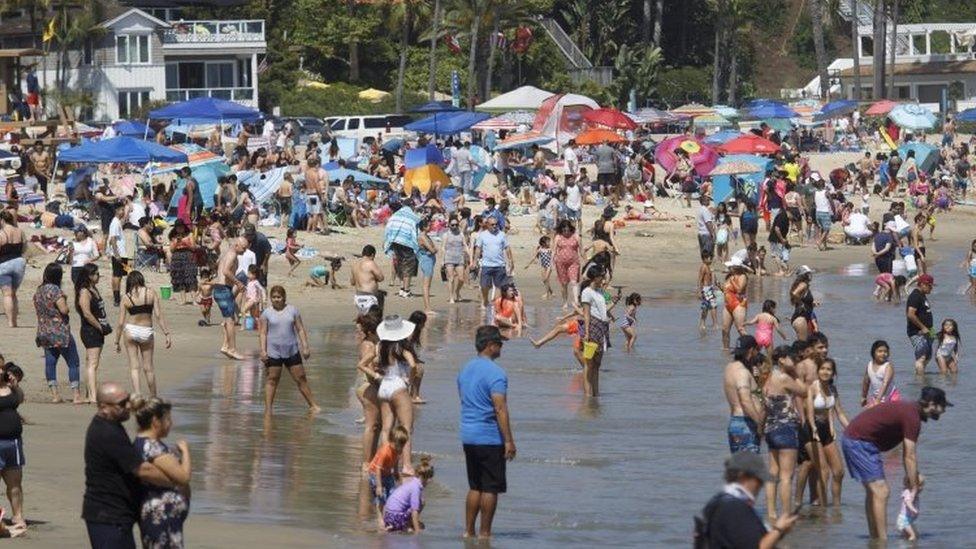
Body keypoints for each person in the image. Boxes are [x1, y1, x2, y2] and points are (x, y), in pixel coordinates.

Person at [842, 386, 951, 540]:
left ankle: (875, 538)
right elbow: (909, 456)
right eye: (943, 406)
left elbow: (908, 457)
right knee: (881, 491)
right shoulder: (912, 416)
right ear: (932, 404)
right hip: (859, 442)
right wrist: (913, 488)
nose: (944, 411)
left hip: (857, 440)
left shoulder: (910, 412)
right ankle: (882, 541)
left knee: (874, 492)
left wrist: (912, 477)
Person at [83, 382, 174, 549]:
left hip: (113, 514)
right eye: (122, 404)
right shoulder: (107, 432)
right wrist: (176, 480)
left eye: (128, 400)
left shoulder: (112, 426)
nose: (128, 406)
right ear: (104, 407)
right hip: (108, 515)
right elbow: (142, 469)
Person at [458, 325, 514, 540]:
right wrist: (508, 440)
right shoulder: (496, 373)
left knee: (475, 486)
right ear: (491, 346)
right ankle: (485, 534)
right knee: (491, 488)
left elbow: (464, 399)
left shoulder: (465, 369)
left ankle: (468, 531)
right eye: (499, 343)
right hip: (489, 437)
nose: (501, 347)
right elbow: (499, 407)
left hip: (468, 434)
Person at [695, 452, 797, 549]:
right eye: (758, 479)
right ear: (742, 476)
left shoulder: (718, 501)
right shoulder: (735, 508)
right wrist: (778, 530)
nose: (760, 485)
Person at [131, 396, 191, 548]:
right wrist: (185, 452)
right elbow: (183, 477)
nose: (170, 424)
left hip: (162, 516)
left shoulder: (143, 444)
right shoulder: (151, 447)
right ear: (156, 422)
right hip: (161, 517)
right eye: (168, 420)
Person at [762, 345, 806, 521]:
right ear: (781, 359)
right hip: (786, 427)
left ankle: (772, 513)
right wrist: (796, 374)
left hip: (770, 428)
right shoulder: (785, 378)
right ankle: (786, 515)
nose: (794, 362)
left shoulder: (768, 377)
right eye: (791, 359)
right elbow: (804, 391)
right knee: (787, 476)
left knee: (773, 472)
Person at [115, 271, 171, 397]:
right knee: (149, 368)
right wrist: (166, 333)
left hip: (130, 330)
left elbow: (120, 323)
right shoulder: (151, 293)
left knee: (134, 367)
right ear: (141, 279)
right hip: (146, 330)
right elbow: (158, 315)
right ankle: (153, 396)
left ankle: (137, 394)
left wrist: (116, 341)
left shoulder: (126, 297)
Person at [374, 315, 418, 475]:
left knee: (386, 429)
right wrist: (409, 381)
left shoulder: (380, 346)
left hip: (384, 385)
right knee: (406, 428)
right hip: (398, 385)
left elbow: (375, 364)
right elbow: (413, 365)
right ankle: (406, 465)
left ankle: (384, 464)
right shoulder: (402, 348)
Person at [34, 263, 83, 403]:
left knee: (50, 363)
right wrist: (66, 301)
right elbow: (64, 310)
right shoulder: (55, 290)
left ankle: (55, 395)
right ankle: (76, 395)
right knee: (73, 362)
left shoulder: (39, 290)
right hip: (59, 331)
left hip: (44, 331)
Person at [806, 358, 850, 509]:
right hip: (812, 431)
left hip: (826, 431)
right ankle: (822, 510)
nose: (825, 372)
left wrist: (853, 430)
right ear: (818, 371)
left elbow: (840, 413)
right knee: (824, 472)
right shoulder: (812, 387)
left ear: (833, 373)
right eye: (822, 369)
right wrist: (813, 428)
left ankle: (836, 508)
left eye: (829, 369)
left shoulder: (833, 390)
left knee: (839, 471)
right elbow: (809, 413)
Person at [723, 335, 763, 453]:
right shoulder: (742, 372)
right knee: (750, 469)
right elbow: (745, 401)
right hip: (745, 424)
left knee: (740, 468)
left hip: (735, 423)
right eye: (757, 350)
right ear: (751, 350)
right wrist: (760, 425)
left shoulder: (729, 368)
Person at [76, 264, 110, 404]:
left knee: (90, 362)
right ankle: (93, 396)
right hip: (90, 330)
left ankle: (89, 393)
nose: (98, 276)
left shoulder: (93, 289)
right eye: (96, 274)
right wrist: (100, 327)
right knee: (93, 364)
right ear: (89, 276)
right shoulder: (84, 292)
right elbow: (87, 313)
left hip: (96, 330)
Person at [0, 362, 26, 534]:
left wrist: (15, 386)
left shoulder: (9, 388)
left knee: (15, 483)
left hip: (13, 442)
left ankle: (17, 515)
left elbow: (20, 399)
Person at [580, 264, 611, 397]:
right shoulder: (587, 292)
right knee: (589, 364)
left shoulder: (599, 292)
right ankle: (588, 396)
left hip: (602, 327)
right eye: (601, 276)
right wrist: (586, 332)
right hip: (592, 326)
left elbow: (603, 310)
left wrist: (614, 302)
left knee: (597, 364)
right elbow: (586, 313)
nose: (603, 279)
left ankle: (596, 394)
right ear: (595, 277)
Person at [367, 425, 408, 527]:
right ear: (392, 441)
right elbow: (377, 469)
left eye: (403, 445)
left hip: (387, 474)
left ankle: (389, 517)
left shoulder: (398, 451)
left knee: (393, 495)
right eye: (399, 445)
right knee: (381, 496)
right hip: (375, 474)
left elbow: (395, 461)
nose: (401, 448)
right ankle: (380, 519)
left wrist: (396, 473)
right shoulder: (385, 451)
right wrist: (379, 486)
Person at [383, 455, 434, 533]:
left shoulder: (412, 482)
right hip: (395, 517)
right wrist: (417, 531)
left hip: (388, 516)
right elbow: (414, 511)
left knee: (421, 502)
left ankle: (401, 525)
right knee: (420, 526)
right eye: (430, 478)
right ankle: (406, 526)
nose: (431, 481)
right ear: (424, 478)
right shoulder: (416, 488)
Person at [215, 237, 248, 359]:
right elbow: (226, 271)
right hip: (223, 290)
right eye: (243, 248)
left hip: (221, 289)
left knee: (228, 319)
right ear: (236, 245)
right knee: (230, 321)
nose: (245, 251)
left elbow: (218, 265)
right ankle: (232, 349)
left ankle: (225, 346)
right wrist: (238, 283)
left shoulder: (227, 254)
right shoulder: (232, 255)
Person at [472, 215, 514, 310]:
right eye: (492, 224)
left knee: (499, 286)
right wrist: (474, 262)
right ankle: (485, 300)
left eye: (496, 224)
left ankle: (497, 304)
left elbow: (507, 248)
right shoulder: (482, 235)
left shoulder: (501, 234)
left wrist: (511, 261)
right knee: (484, 285)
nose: (495, 226)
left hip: (500, 265)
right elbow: (478, 249)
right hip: (487, 264)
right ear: (487, 225)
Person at [0, 210, 26, 328]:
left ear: (2, 220)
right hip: (19, 263)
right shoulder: (20, 231)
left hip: (4, 264)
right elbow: (24, 248)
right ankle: (15, 321)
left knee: (7, 294)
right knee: (14, 294)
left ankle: (10, 322)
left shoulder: (1, 233)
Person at [906, 273, 935, 374]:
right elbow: (910, 314)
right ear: (923, 284)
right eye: (930, 286)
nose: (931, 288)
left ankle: (919, 376)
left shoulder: (922, 296)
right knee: (921, 358)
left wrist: (932, 333)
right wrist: (923, 328)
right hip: (917, 332)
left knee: (928, 356)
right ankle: (920, 382)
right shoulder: (915, 296)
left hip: (928, 331)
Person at [721, 257, 751, 351]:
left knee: (740, 329)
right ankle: (726, 350)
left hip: (739, 304)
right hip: (728, 305)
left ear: (736, 267)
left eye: (731, 267)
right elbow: (726, 290)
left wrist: (733, 280)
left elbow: (739, 290)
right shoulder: (730, 276)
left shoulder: (742, 276)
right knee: (725, 330)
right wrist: (719, 287)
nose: (729, 268)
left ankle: (752, 347)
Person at [552, 220, 582, 310]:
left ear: (570, 229)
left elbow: (581, 249)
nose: (566, 232)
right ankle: (565, 302)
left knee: (574, 282)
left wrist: (585, 259)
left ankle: (576, 301)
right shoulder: (558, 237)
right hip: (560, 263)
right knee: (564, 284)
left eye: (567, 230)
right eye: (564, 230)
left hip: (574, 262)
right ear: (561, 230)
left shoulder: (576, 236)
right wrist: (551, 263)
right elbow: (554, 250)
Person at [861, 340, 899, 407]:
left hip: (890, 397)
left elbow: (885, 383)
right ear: (873, 353)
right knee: (870, 414)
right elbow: (866, 381)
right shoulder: (869, 365)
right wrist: (864, 396)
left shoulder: (888, 366)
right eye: (880, 351)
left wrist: (878, 400)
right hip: (876, 396)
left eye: (885, 352)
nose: (883, 354)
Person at [167, 222, 198, 306]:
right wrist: (177, 242)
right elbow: (172, 250)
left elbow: (194, 247)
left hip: (188, 256)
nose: (179, 229)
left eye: (181, 227)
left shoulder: (190, 235)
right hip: (177, 257)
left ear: (184, 227)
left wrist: (185, 243)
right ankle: (183, 300)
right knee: (180, 279)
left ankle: (194, 300)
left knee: (190, 277)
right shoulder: (173, 237)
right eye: (178, 227)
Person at [107, 204, 131, 307]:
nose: (123, 212)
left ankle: (118, 297)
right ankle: (117, 298)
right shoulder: (115, 223)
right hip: (119, 254)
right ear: (117, 210)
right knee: (118, 276)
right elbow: (112, 239)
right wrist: (116, 254)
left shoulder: (117, 222)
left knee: (118, 275)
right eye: (122, 210)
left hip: (120, 253)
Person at [351, 245, 386, 315]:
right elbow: (381, 278)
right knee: (372, 319)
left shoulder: (355, 265)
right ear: (372, 255)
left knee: (362, 318)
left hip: (358, 296)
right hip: (368, 297)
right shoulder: (370, 263)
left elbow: (352, 282)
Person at [442, 217, 469, 303]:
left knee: (461, 278)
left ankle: (457, 291)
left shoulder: (461, 234)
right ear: (449, 225)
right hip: (449, 258)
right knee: (451, 278)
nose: (454, 226)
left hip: (459, 258)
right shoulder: (446, 235)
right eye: (452, 225)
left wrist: (469, 255)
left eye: (456, 225)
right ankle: (451, 297)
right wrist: (442, 260)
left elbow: (465, 245)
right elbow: (443, 248)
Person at [416, 218, 438, 314]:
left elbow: (433, 248)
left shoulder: (426, 236)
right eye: (428, 225)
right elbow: (433, 249)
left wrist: (434, 249)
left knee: (428, 285)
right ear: (424, 227)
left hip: (429, 260)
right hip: (426, 260)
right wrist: (434, 249)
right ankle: (427, 308)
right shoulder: (422, 237)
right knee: (426, 285)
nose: (430, 227)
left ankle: (428, 307)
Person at [524, 236, 554, 300]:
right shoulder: (540, 249)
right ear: (543, 243)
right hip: (543, 266)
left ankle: (547, 294)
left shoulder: (550, 250)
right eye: (548, 241)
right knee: (544, 280)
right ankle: (550, 291)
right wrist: (528, 265)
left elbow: (554, 256)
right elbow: (534, 257)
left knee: (546, 279)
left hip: (549, 266)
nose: (549, 243)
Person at [897, 474, 924, 540]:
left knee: (915, 536)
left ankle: (904, 544)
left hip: (908, 521)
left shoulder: (914, 494)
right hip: (904, 521)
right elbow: (907, 502)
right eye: (919, 485)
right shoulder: (907, 492)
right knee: (913, 536)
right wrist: (913, 509)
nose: (921, 488)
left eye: (922, 485)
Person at [698, 251, 718, 331]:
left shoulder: (708, 267)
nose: (711, 260)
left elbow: (712, 279)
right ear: (705, 258)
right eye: (710, 258)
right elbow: (700, 279)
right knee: (713, 306)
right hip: (706, 289)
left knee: (706, 307)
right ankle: (715, 324)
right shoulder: (704, 267)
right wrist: (699, 291)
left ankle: (702, 324)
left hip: (709, 288)